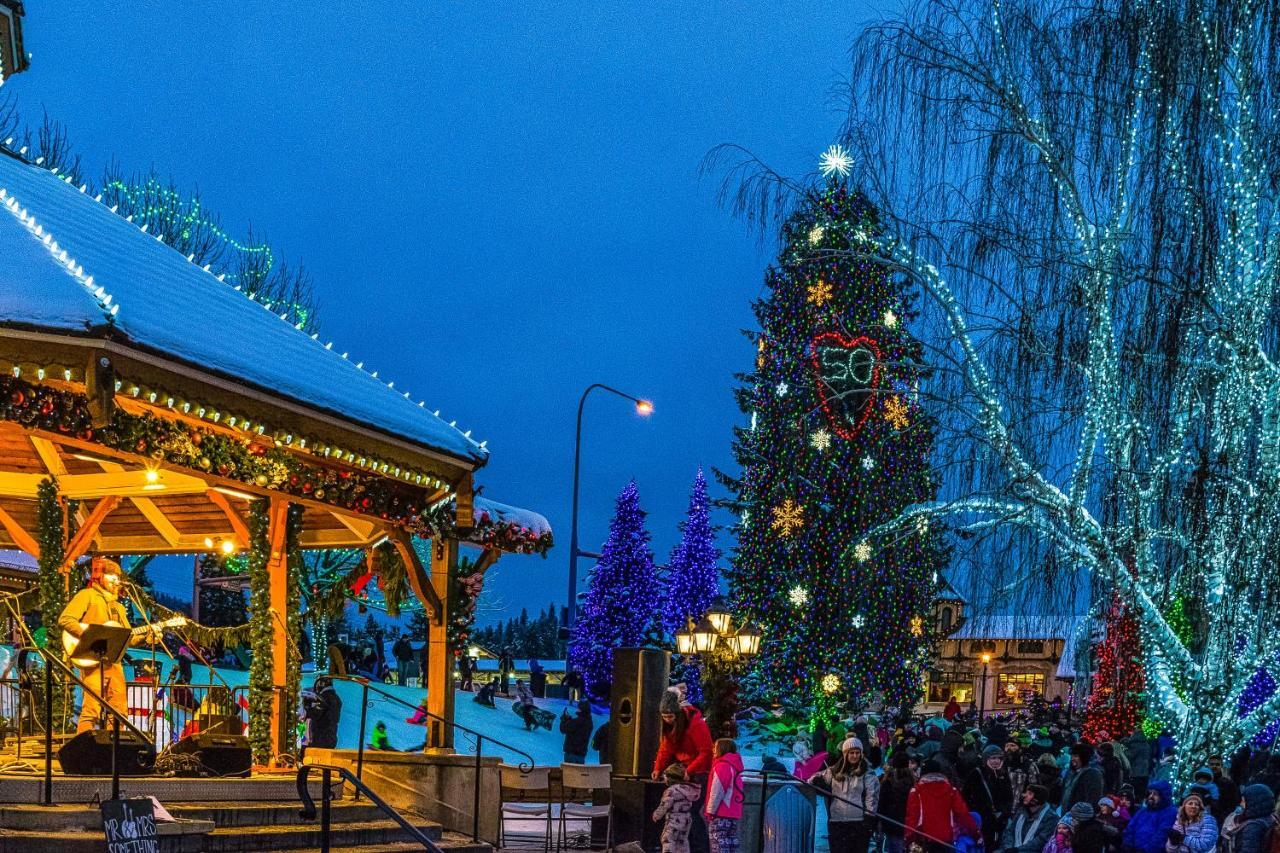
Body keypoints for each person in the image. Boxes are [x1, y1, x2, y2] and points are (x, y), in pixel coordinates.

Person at [58, 557, 160, 733]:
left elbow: (128, 637)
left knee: (120, 709)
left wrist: (146, 638)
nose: (115, 581)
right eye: (111, 576)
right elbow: (65, 619)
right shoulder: (87, 595)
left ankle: (116, 748)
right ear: (100, 577)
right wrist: (90, 636)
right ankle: (84, 749)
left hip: (113, 662)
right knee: (92, 708)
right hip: (91, 659)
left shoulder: (118, 608)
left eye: (117, 578)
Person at [808, 737, 880, 853]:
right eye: (851, 753)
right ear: (845, 754)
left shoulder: (868, 774)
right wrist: (817, 781)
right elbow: (811, 780)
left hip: (859, 822)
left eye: (857, 753)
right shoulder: (833, 771)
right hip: (837, 821)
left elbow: (872, 797)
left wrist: (869, 817)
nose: (855, 756)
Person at [906, 758, 978, 853]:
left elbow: (912, 817)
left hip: (923, 840)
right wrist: (975, 832)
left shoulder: (916, 791)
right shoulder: (951, 790)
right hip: (946, 841)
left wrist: (909, 838)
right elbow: (962, 814)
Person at [651, 690, 714, 780]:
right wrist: (658, 768)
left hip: (700, 771)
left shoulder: (696, 724)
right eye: (664, 717)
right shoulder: (669, 728)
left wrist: (689, 771)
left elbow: (706, 752)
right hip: (684, 768)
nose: (667, 720)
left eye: (670, 716)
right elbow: (665, 749)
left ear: (678, 714)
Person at [963, 744, 1014, 850]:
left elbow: (1009, 796)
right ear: (986, 758)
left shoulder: (1004, 774)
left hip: (1000, 820)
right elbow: (966, 795)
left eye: (999, 758)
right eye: (993, 758)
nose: (996, 761)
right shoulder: (976, 774)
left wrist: (1004, 813)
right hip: (982, 819)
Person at [706, 738, 744, 853]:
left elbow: (718, 790)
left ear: (722, 748)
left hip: (721, 811)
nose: (713, 750)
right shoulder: (734, 765)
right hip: (732, 812)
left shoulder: (723, 765)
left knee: (719, 842)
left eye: (715, 747)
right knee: (731, 842)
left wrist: (710, 811)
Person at [653, 762, 701, 853]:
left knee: (668, 839)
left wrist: (656, 815)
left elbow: (664, 805)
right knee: (682, 842)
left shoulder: (671, 791)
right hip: (686, 819)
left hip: (674, 819)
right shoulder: (688, 789)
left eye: (665, 777)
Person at [1121, 782, 1177, 853]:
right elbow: (1130, 829)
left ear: (1163, 796)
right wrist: (1127, 844)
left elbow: (1162, 836)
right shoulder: (1142, 811)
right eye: (1150, 793)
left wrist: (1146, 851)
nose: (1151, 796)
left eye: (1155, 794)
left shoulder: (1170, 812)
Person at [1002, 783, 1058, 853]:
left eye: (1030, 794)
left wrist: (1018, 850)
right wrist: (1008, 848)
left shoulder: (1051, 818)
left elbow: (1041, 841)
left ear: (1037, 799)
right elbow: (1009, 831)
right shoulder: (1021, 811)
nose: (1024, 795)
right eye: (1026, 792)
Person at [880, 750, 918, 853]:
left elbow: (881, 804)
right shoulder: (913, 782)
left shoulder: (888, 782)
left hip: (892, 823)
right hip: (908, 823)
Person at [1222, 784, 1276, 853]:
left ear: (1253, 802)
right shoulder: (1270, 817)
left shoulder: (1253, 826)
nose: (1241, 804)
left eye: (1243, 801)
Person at [1063, 744, 1106, 813]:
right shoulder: (1071, 772)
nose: (1072, 759)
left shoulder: (1093, 774)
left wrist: (1081, 816)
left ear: (1084, 757)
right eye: (1072, 756)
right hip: (1067, 815)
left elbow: (1092, 798)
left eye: (1076, 756)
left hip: (1078, 816)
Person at [304, 676, 342, 750]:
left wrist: (308, 706)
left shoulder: (323, 698)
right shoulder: (336, 698)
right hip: (331, 735)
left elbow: (316, 714)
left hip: (321, 737)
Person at [1206, 755, 1241, 824]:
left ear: (1221, 766)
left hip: (1221, 820)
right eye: (1212, 764)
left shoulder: (1228, 783)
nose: (1214, 767)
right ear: (1208, 765)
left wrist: (1224, 816)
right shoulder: (1203, 783)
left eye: (1217, 764)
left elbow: (1235, 802)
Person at [559, 699, 593, 764]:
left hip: (571, 753)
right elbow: (576, 728)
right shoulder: (589, 722)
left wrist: (564, 719)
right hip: (581, 754)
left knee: (570, 773)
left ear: (581, 709)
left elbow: (563, 729)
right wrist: (569, 719)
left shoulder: (577, 722)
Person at [1125, 731, 1152, 800]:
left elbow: (1130, 756)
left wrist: (1125, 751)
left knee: (1135, 791)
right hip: (1145, 772)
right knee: (1141, 791)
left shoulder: (1136, 745)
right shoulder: (1147, 745)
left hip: (1136, 772)